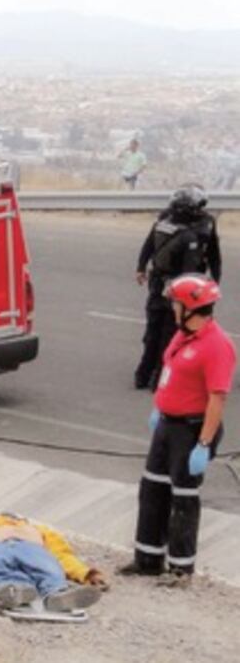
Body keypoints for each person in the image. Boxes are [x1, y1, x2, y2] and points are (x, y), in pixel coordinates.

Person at [122, 274, 235, 587]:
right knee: (152, 490)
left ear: (190, 307)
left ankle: (180, 570)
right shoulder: (182, 335)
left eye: (176, 302)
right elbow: (171, 372)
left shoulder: (216, 345)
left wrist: (204, 443)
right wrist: (159, 407)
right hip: (167, 425)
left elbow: (217, 398)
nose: (172, 306)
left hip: (191, 430)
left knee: (183, 499)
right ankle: (147, 560)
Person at [134, 184, 221, 389]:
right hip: (173, 284)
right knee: (160, 329)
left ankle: (153, 375)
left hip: (184, 283)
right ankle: (147, 374)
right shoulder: (168, 221)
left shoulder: (207, 223)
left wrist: (216, 280)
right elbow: (149, 244)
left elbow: (214, 254)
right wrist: (140, 267)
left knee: (166, 330)